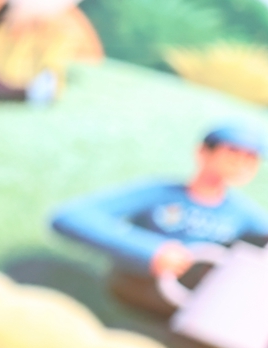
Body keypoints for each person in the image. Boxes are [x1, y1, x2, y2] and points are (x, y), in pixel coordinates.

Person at [52, 125, 268, 321]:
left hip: (192, 309)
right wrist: (150, 250)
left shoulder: (243, 213)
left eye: (251, 157)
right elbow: (71, 216)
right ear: (203, 151)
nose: (240, 162)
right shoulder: (161, 193)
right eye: (232, 151)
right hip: (132, 293)